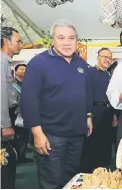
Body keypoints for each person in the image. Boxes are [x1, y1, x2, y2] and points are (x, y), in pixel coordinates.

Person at [20, 19, 93, 189]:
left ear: (77, 40)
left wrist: (88, 115)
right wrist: (38, 133)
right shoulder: (39, 63)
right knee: (52, 181)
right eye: (61, 38)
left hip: (77, 134)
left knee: (72, 180)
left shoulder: (81, 64)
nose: (66, 43)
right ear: (53, 39)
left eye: (71, 38)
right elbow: (28, 100)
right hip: (51, 135)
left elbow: (86, 92)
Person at [80, 48, 116, 173]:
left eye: (109, 57)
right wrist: (88, 116)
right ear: (98, 57)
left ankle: (102, 172)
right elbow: (86, 95)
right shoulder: (89, 73)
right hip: (95, 112)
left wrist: (114, 115)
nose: (107, 59)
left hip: (108, 113)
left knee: (105, 144)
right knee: (91, 145)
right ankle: (89, 175)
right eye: (104, 56)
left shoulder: (108, 75)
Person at [1, 26, 23, 189]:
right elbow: (1, 96)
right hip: (3, 121)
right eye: (18, 41)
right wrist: (6, 124)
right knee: (5, 165)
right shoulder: (1, 62)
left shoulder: (5, 62)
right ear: (6, 42)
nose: (21, 44)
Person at [13, 64, 33, 163]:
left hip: (26, 112)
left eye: (25, 69)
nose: (23, 71)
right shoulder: (13, 84)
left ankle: (22, 155)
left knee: (24, 135)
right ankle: (17, 156)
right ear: (16, 72)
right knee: (17, 135)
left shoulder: (28, 83)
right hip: (15, 113)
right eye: (21, 69)